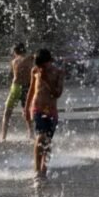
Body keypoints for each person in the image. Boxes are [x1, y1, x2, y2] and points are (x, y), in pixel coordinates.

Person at [25, 49, 65, 184]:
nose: (40, 68)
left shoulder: (58, 72)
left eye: (43, 65)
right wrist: (26, 107)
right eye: (38, 65)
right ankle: (36, 171)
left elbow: (57, 94)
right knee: (40, 137)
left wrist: (46, 80)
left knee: (47, 141)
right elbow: (31, 89)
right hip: (37, 108)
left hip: (52, 111)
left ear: (49, 61)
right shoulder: (35, 70)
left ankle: (44, 170)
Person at [0, 42, 34, 142]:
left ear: (15, 51)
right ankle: (31, 135)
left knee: (7, 112)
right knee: (27, 112)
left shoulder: (14, 61)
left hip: (16, 87)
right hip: (27, 87)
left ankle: (3, 137)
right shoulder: (29, 59)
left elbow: (12, 75)